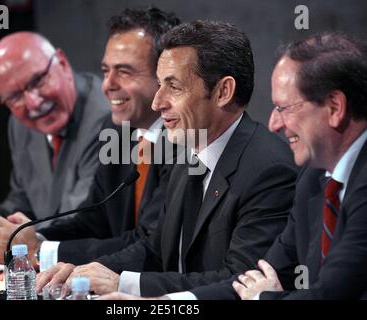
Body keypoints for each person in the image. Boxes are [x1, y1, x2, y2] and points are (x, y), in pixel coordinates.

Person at [37, 20, 298, 297]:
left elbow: (240, 283)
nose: (157, 102)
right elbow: (155, 248)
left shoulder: (268, 169)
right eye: (159, 85)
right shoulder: (186, 156)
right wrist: (86, 271)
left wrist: (124, 285)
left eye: (173, 87)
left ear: (223, 92)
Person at [114, 31, 367, 300]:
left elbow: (330, 294)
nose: (274, 124)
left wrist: (261, 298)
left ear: (335, 107)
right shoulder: (313, 178)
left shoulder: (277, 169)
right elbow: (253, 277)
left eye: (284, 108)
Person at [0, 8, 181, 273]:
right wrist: (33, 238)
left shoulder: (186, 141)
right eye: (105, 70)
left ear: (164, 76)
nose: (107, 84)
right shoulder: (120, 131)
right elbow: (95, 219)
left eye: (124, 71)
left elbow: (149, 246)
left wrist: (39, 250)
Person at [0, 32, 110, 243]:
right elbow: (22, 206)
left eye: (37, 81)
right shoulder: (20, 125)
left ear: (63, 64)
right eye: (14, 97)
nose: (33, 103)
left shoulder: (107, 119)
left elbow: (79, 221)